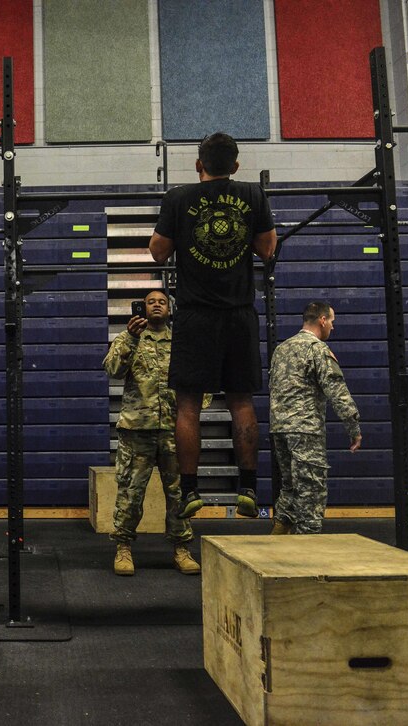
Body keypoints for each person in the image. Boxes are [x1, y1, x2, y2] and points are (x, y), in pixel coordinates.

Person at [148, 132, 276, 519]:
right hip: (238, 313)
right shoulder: (252, 195)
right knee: (241, 401)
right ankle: (248, 487)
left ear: (198, 164)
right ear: (235, 166)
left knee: (188, 405)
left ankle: (190, 491)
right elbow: (268, 249)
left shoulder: (179, 197)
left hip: (195, 315)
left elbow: (157, 252)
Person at [103, 290, 201, 576]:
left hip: (175, 430)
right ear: (142, 308)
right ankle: (123, 547)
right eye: (151, 302)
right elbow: (112, 369)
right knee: (130, 493)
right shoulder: (128, 338)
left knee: (179, 493)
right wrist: (132, 339)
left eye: (162, 302)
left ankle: (182, 549)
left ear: (170, 310)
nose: (157, 305)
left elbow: (198, 380)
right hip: (137, 431)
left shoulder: (181, 342)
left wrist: (192, 414)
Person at [268, 302, 361, 534]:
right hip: (305, 431)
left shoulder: (282, 349)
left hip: (279, 430)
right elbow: (337, 390)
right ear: (322, 320)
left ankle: (273, 549)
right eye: (331, 321)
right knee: (311, 497)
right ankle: (305, 561)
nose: (332, 327)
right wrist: (353, 426)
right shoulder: (317, 349)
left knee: (289, 489)